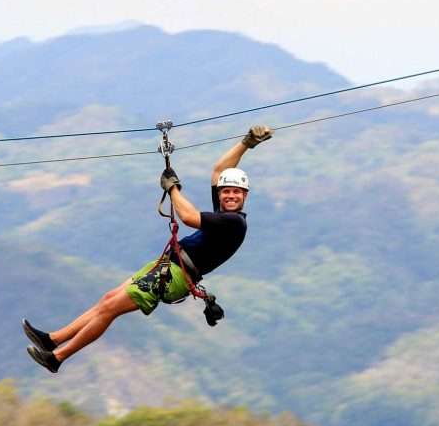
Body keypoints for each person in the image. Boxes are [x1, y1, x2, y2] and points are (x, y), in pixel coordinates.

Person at [23, 125, 273, 373]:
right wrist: (247, 143)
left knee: (110, 309)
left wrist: (172, 188)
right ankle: (52, 339)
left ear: (245, 196)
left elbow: (187, 217)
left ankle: (56, 357)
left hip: (175, 274)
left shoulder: (233, 223)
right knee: (109, 299)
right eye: (226, 191)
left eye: (236, 192)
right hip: (169, 265)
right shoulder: (223, 213)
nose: (230, 195)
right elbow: (220, 170)